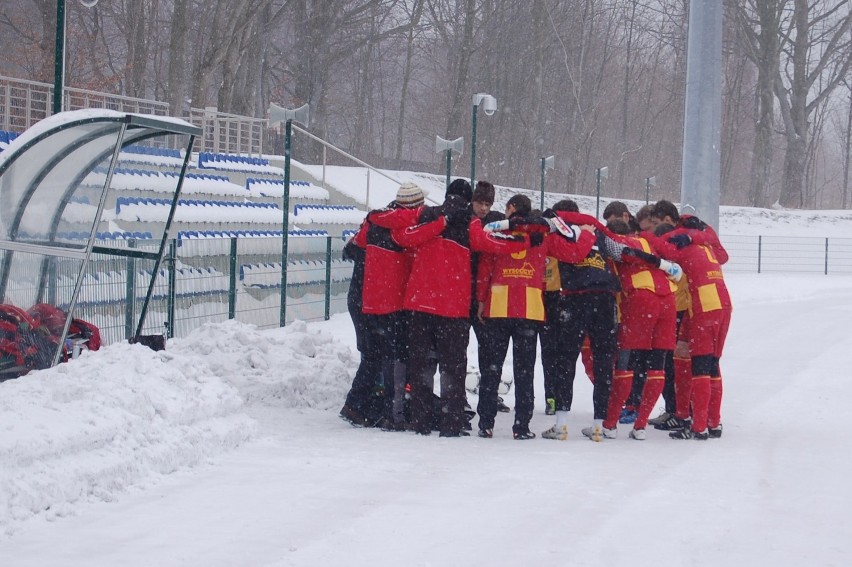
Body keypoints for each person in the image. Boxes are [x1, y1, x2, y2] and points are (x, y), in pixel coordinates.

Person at [538, 201, 682, 442]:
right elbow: (649, 254)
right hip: (649, 300)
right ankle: (614, 424)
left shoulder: (574, 237)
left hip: (592, 299)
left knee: (571, 360)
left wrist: (584, 237)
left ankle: (569, 424)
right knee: (625, 364)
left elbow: (574, 254)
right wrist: (666, 264)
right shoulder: (617, 240)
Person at [398, 179, 531, 437]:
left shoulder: (427, 214)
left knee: (422, 367)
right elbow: (489, 244)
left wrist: (439, 223)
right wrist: (523, 243)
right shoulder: (469, 222)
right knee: (453, 369)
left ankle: (420, 421)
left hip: (419, 302)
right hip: (452, 306)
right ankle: (451, 423)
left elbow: (403, 237)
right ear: (469, 200)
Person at [340, 183, 434, 429]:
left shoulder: (377, 220)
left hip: (366, 299)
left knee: (374, 355)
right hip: (386, 300)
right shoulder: (404, 224)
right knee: (388, 356)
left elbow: (357, 242)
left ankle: (360, 405)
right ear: (415, 205)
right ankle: (379, 408)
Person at [653, 214, 731, 440]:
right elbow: (722, 254)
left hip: (703, 306)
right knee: (711, 365)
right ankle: (712, 422)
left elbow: (659, 250)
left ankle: (698, 427)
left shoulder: (681, 245)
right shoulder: (704, 242)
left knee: (701, 366)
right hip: (722, 303)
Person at [601, 218, 678, 440]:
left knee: (626, 362)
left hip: (641, 297)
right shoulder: (649, 240)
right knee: (657, 364)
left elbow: (620, 256)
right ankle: (641, 425)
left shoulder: (615, 243)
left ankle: (610, 424)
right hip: (668, 299)